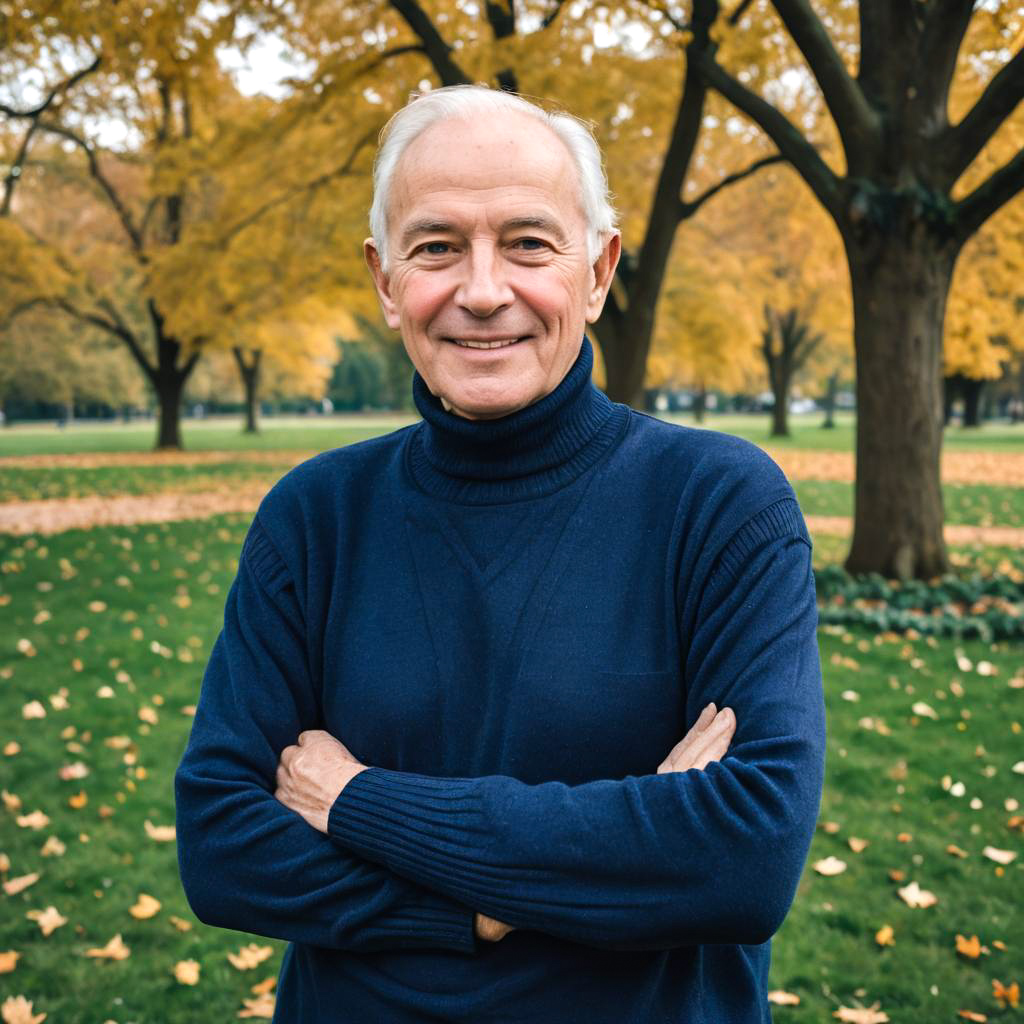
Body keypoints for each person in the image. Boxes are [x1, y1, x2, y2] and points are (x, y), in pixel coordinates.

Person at [174, 84, 826, 1023]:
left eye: (528, 243)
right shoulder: (314, 518)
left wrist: (362, 805)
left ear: (597, 273)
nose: (483, 291)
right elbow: (224, 846)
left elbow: (746, 857)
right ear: (386, 280)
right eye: (437, 246)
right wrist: (487, 907)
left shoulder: (721, 505)